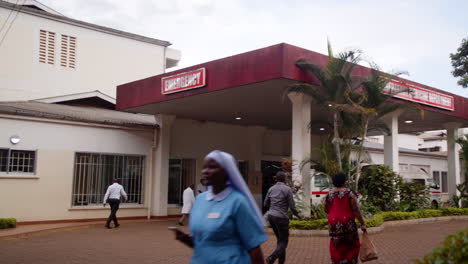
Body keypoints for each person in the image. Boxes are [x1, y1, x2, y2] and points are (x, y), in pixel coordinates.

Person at [174, 150, 268, 264]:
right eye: (204, 167)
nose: (205, 171)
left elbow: (254, 249)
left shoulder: (237, 202)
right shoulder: (200, 200)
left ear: (226, 171)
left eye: (212, 167)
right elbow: (206, 241)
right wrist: (188, 240)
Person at [324, 172, 367, 264]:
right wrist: (362, 223)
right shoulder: (350, 193)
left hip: (334, 226)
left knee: (336, 247)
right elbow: (356, 210)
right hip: (348, 225)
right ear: (344, 182)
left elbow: (326, 210)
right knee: (351, 247)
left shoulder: (329, 195)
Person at [264, 171, 302, 264]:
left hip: (271, 217)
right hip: (281, 218)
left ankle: (281, 262)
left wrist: (274, 205)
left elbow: (265, 203)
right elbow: (292, 206)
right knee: (283, 241)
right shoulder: (287, 189)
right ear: (285, 179)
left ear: (276, 179)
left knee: (280, 241)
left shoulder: (271, 189)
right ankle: (272, 258)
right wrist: (298, 216)